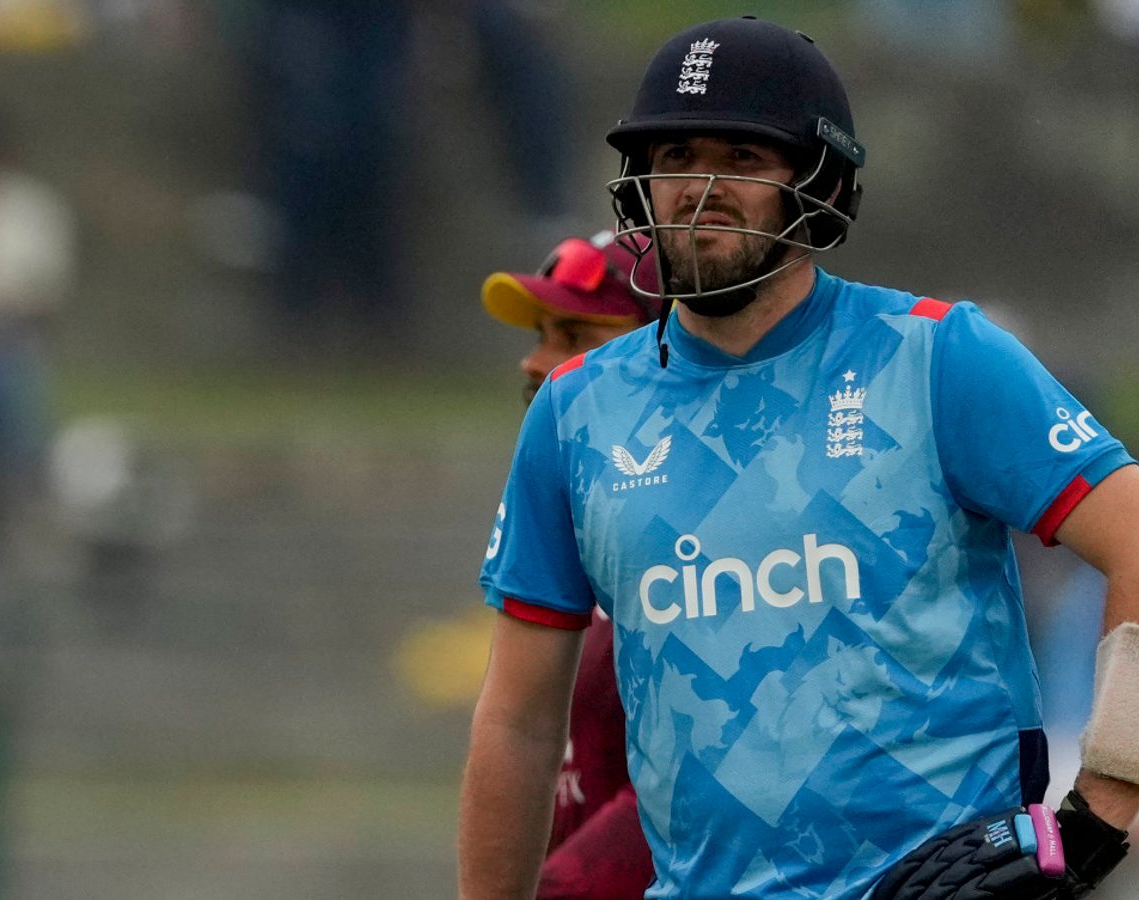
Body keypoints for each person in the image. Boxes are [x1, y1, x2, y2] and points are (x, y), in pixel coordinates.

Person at [462, 16, 1136, 900]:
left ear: (818, 180)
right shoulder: (574, 411)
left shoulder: (938, 357)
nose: (698, 187)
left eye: (741, 159)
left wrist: (1101, 812)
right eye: (674, 156)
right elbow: (515, 721)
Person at [480, 232, 659, 899]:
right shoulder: (577, 532)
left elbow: (698, 796)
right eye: (541, 333)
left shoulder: (714, 552)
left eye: (572, 334)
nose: (534, 362)